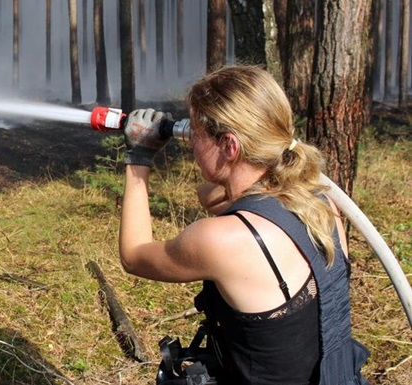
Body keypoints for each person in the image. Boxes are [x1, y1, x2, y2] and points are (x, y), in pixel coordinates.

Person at [119, 65, 370, 385]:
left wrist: (139, 158)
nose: (192, 144)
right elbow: (214, 196)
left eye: (196, 133)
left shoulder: (224, 239)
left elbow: (133, 255)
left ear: (230, 146)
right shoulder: (319, 200)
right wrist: (219, 163)